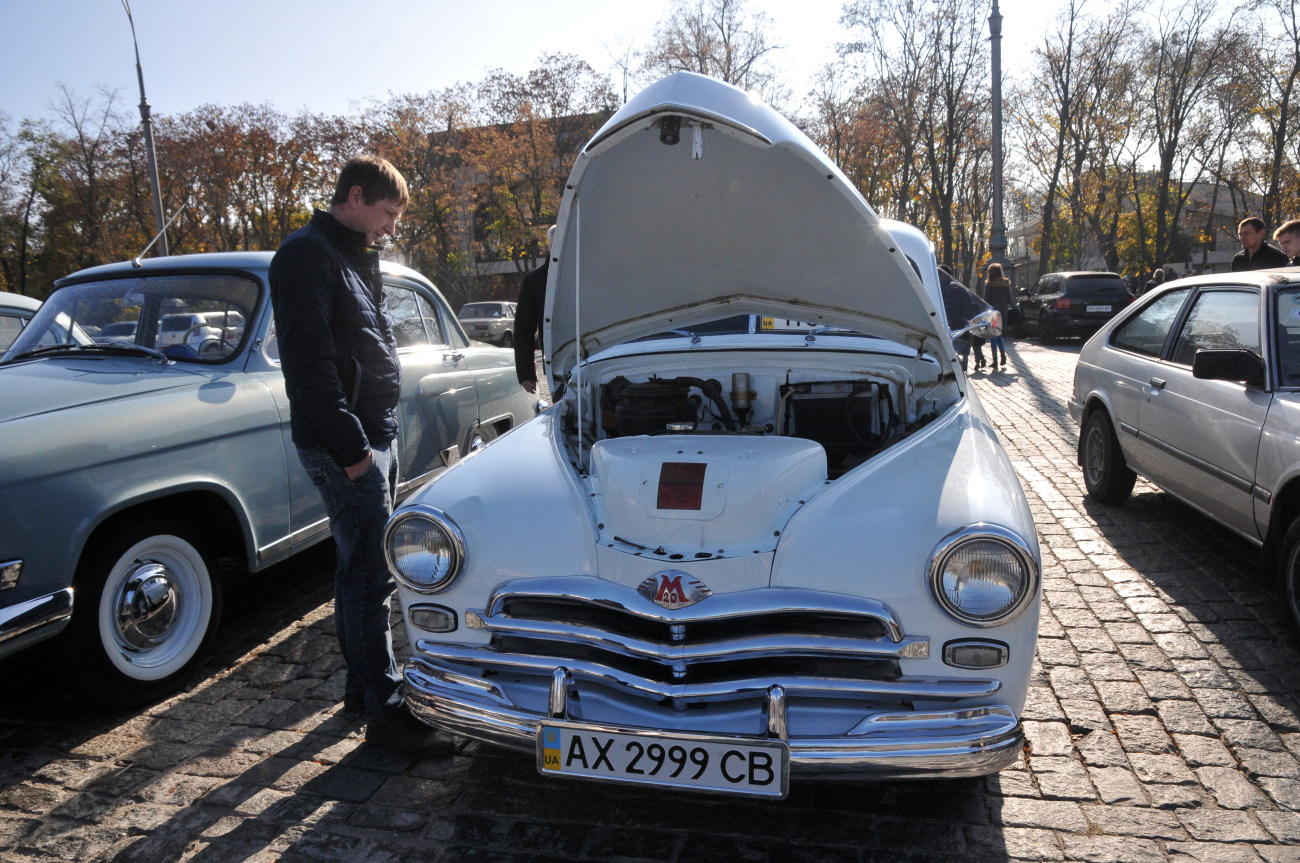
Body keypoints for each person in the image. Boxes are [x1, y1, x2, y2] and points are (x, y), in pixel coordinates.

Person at [269, 155, 454, 758]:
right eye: (389, 213)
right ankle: (388, 712)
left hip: (373, 435)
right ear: (355, 196)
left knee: (359, 573)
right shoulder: (307, 255)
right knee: (370, 579)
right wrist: (354, 454)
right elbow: (310, 367)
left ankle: (361, 688)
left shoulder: (352, 255)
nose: (393, 227)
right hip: (349, 445)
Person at [515, 225, 554, 393]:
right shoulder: (535, 280)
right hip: (556, 363)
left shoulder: (585, 274)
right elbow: (524, 329)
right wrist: (526, 374)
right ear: (551, 245)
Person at [939, 265, 990, 373]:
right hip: (964, 331)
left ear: (942, 274)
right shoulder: (958, 287)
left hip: (955, 332)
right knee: (962, 365)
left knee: (955, 368)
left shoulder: (950, 290)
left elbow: (951, 313)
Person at [984, 262, 1013, 371]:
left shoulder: (989, 285)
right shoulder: (1006, 284)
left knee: (993, 336)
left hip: (993, 314)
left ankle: (995, 360)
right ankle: (1002, 355)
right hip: (1003, 313)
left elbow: (986, 300)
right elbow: (1009, 300)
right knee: (999, 335)